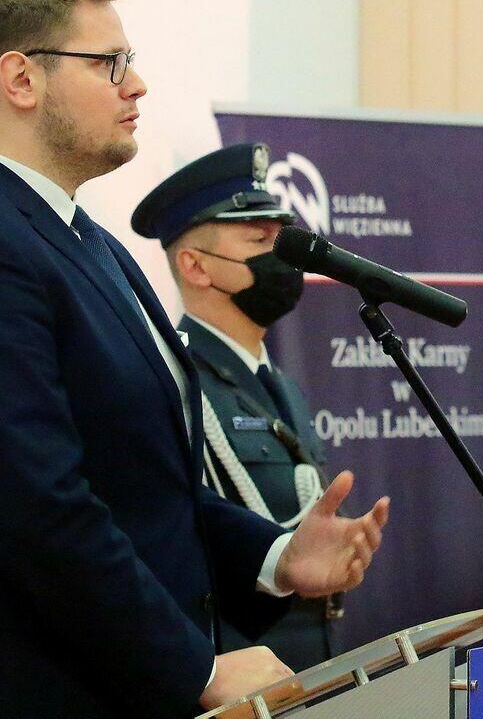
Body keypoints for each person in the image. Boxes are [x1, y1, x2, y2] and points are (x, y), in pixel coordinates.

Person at [0, 0, 388, 719]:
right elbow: (35, 513)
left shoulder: (89, 243)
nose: (137, 85)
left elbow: (144, 487)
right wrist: (196, 668)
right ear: (21, 79)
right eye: (109, 63)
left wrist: (276, 555)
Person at [132, 142, 339, 670]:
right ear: (196, 266)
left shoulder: (281, 387)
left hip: (310, 665)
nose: (283, 255)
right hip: (236, 667)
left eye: (282, 238)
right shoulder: (170, 381)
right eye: (260, 240)